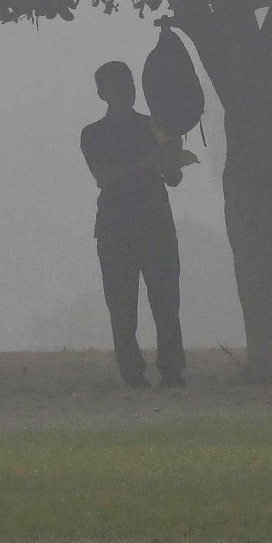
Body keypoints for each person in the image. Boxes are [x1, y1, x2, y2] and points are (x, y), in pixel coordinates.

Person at [79, 59, 189, 387]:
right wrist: (151, 161)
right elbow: (105, 177)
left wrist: (171, 156)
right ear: (102, 93)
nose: (123, 91)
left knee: (166, 302)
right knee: (122, 306)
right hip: (118, 228)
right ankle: (132, 370)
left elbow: (173, 178)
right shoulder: (93, 134)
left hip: (154, 223)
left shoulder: (154, 127)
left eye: (126, 83)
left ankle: (171, 368)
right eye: (115, 85)